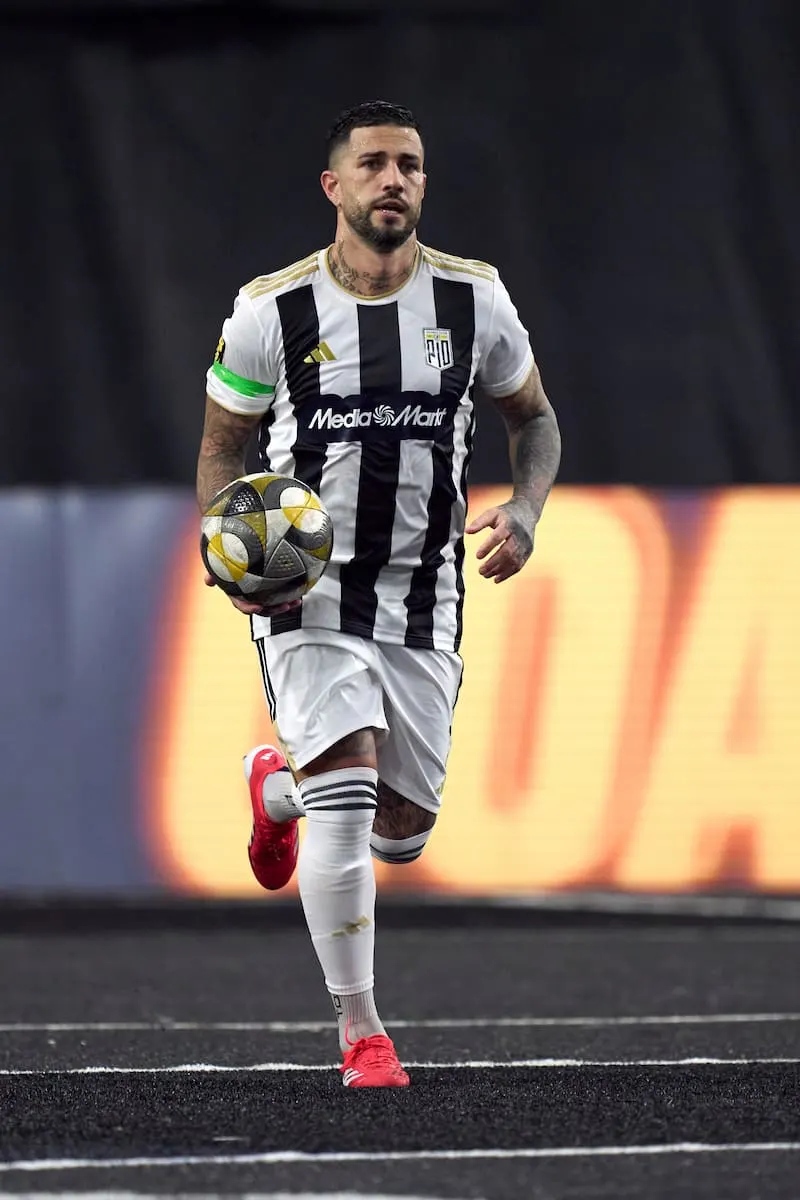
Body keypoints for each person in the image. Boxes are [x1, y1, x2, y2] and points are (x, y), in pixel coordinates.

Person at [197, 100, 561, 1087]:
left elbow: (532, 422)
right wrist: (231, 555)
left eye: (408, 165)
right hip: (304, 590)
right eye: (372, 165)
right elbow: (225, 445)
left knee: (403, 831)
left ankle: (277, 787)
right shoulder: (269, 310)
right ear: (335, 186)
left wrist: (523, 509)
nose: (391, 179)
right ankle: (361, 1032)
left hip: (421, 591)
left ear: (422, 184)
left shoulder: (472, 300)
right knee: (351, 794)